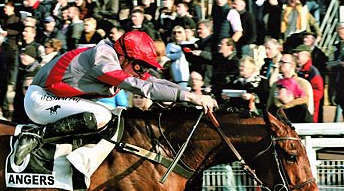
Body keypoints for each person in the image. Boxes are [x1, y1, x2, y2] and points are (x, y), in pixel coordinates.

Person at [13, 30, 217, 165]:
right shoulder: (103, 61)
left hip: (56, 100)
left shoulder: (121, 61)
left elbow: (155, 82)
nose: (142, 72)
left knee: (116, 115)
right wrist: (190, 98)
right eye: (140, 66)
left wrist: (192, 95)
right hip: (41, 99)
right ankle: (35, 136)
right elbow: (143, 88)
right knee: (102, 115)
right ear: (123, 57)